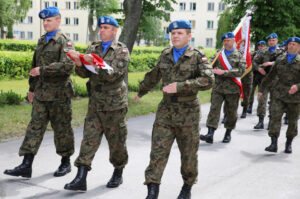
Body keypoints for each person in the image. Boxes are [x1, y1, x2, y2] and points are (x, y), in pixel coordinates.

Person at [134, 20, 214, 199]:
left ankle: (187, 186)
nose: (175, 36)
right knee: (157, 152)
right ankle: (152, 190)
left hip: (188, 113)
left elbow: (208, 80)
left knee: (188, 156)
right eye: (173, 33)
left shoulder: (197, 56)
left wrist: (180, 86)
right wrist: (142, 91)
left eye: (179, 33)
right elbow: (154, 74)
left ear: (188, 36)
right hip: (166, 111)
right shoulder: (165, 55)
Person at [3, 7, 75, 178]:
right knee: (34, 128)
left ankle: (66, 163)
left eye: (49, 20)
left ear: (58, 20)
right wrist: (31, 88)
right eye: (44, 20)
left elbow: (67, 66)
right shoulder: (42, 40)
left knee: (62, 129)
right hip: (41, 93)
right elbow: (33, 66)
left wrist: (42, 70)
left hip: (59, 95)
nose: (45, 23)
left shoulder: (64, 41)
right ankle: (26, 165)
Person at [64, 16, 130, 191]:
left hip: (114, 105)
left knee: (116, 142)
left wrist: (97, 65)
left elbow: (114, 74)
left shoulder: (121, 51)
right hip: (95, 103)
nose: (102, 30)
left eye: (106, 28)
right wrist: (79, 63)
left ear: (114, 31)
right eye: (101, 27)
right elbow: (85, 74)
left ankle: (118, 171)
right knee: (89, 140)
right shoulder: (93, 48)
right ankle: (81, 177)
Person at [200, 32, 246, 144]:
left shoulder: (239, 55)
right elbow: (210, 66)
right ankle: (210, 133)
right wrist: (208, 68)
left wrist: (224, 72)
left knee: (231, 112)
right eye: (224, 41)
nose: (226, 42)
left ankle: (228, 133)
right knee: (214, 110)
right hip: (218, 88)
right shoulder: (218, 54)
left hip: (232, 89)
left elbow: (241, 71)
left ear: (234, 41)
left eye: (228, 40)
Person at [258, 36, 300, 153]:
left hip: (295, 97)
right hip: (279, 94)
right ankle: (273, 143)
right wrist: (261, 90)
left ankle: (288, 143)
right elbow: (270, 76)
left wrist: (297, 86)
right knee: (275, 117)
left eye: (294, 44)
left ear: (299, 47)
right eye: (290, 44)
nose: (291, 46)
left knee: (292, 121)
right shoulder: (280, 59)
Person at [252, 33, 284, 129]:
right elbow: (254, 61)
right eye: (270, 40)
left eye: (273, 40)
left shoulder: (281, 51)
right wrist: (258, 69)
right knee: (262, 100)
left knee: (274, 102)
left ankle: (271, 121)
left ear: (277, 41)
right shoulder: (263, 51)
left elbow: (284, 62)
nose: (271, 42)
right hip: (264, 79)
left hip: (276, 80)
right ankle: (260, 121)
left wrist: (271, 63)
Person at [247, 41, 267, 114]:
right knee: (251, 91)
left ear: (265, 46)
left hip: (262, 76)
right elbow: (250, 63)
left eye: (262, 45)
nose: (261, 47)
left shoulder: (267, 54)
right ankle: (250, 106)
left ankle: (260, 108)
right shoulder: (254, 54)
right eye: (260, 45)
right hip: (254, 75)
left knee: (261, 93)